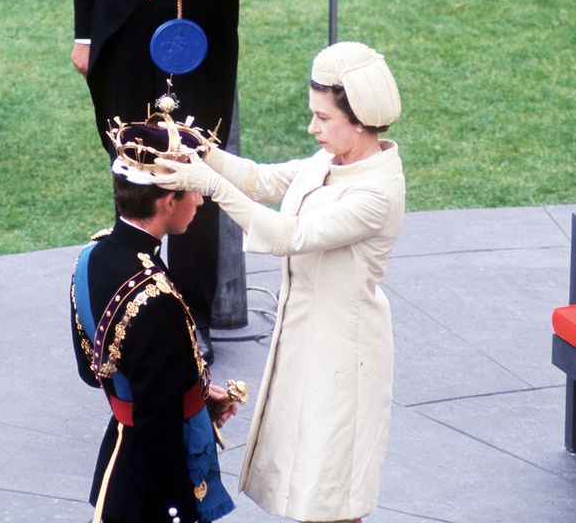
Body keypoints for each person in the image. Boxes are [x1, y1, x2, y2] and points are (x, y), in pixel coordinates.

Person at [150, 42, 406, 522]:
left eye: (323, 118)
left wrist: (208, 182)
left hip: (345, 350)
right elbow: (263, 180)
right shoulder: (330, 161)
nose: (313, 128)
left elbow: (290, 235)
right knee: (306, 477)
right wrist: (204, 151)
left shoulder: (378, 191)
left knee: (332, 487)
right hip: (305, 338)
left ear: (359, 118)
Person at [71, 0, 301, 363]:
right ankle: (125, 301)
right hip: (122, 33)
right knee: (132, 165)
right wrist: (86, 35)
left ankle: (191, 316)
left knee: (198, 165)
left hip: (199, 39)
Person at [70, 106, 240, 523]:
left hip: (120, 459)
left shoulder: (90, 256)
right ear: (168, 201)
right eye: (193, 190)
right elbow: (158, 422)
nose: (200, 200)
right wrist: (178, 507)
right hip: (152, 486)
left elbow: (93, 371)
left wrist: (193, 392)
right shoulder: (156, 298)